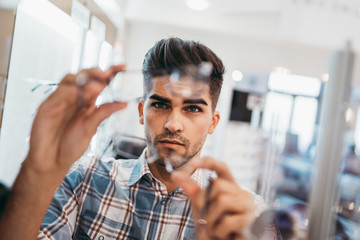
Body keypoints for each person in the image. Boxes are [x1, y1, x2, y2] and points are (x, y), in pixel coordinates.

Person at [0, 37, 266, 239]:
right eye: (160, 105)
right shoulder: (85, 179)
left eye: (193, 108)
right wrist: (39, 169)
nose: (174, 124)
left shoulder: (244, 214)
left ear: (213, 122)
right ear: (142, 111)